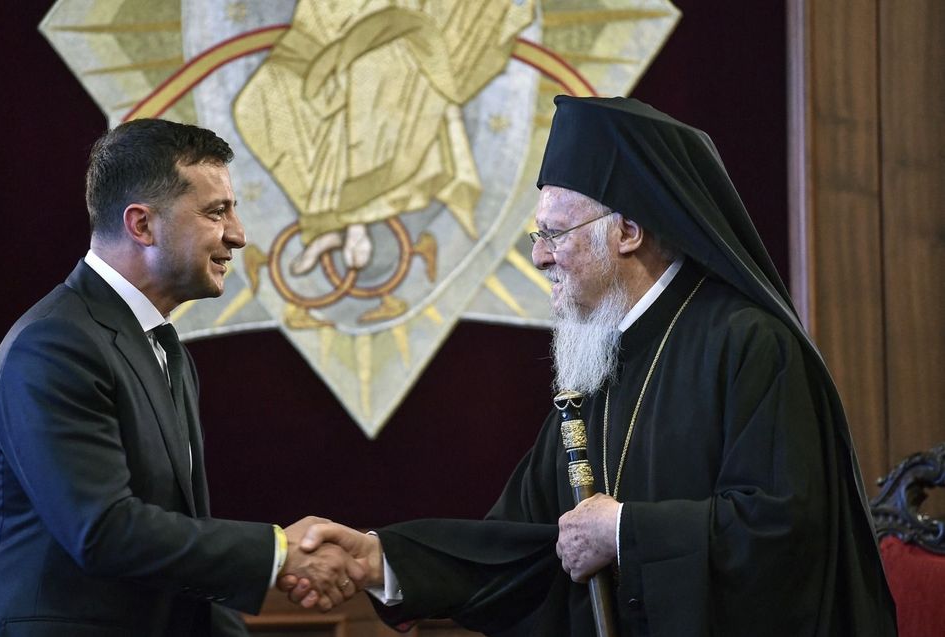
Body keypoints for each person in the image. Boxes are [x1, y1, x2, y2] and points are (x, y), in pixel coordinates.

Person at [283, 96, 898, 636]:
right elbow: (523, 543)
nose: (540, 257)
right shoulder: (603, 355)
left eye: (554, 234)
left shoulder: (752, 344)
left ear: (627, 230)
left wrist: (627, 532)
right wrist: (377, 559)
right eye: (537, 236)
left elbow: (786, 537)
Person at [0, 119, 363, 637]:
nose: (237, 235)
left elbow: (179, 544)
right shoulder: (55, 345)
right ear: (142, 225)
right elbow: (103, 530)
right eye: (217, 212)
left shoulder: (163, 348)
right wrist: (280, 554)